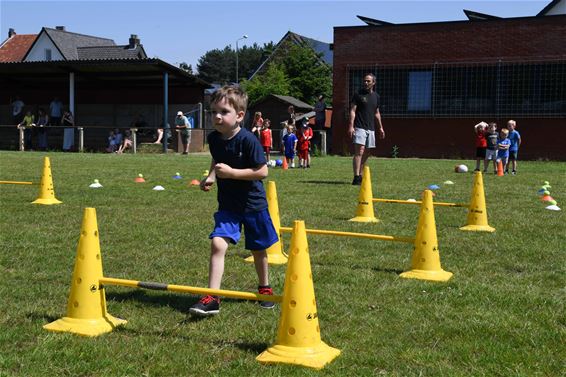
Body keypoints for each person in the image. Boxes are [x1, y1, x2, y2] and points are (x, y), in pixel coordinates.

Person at [189, 85, 278, 316]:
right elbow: (217, 159)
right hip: (228, 205)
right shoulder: (214, 139)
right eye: (213, 112)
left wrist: (232, 174)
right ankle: (212, 297)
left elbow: (262, 172)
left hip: (253, 205)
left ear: (239, 115)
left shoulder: (248, 140)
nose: (216, 116)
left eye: (223, 112)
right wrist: (210, 176)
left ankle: (264, 288)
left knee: (259, 249)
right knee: (218, 244)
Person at [347, 73, 385, 185]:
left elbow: (377, 113)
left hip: (371, 128)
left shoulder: (376, 97)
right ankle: (356, 177)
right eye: (364, 81)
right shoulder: (358, 94)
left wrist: (381, 128)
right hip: (359, 127)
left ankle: (361, 174)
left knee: (367, 153)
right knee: (359, 151)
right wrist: (351, 126)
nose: (366, 83)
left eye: (368, 81)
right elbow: (352, 111)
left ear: (373, 82)